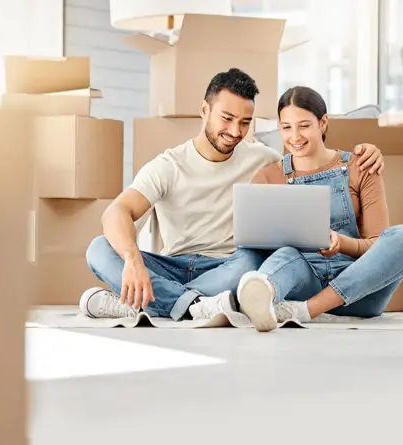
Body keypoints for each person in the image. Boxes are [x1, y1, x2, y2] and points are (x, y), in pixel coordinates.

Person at [79, 69, 385, 321]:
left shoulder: (264, 159)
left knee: (253, 261)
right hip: (171, 264)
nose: (235, 131)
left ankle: (143, 304)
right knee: (99, 248)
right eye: (226, 118)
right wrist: (133, 260)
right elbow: (115, 213)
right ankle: (194, 305)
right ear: (204, 110)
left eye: (245, 122)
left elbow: (310, 153)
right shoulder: (168, 165)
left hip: (232, 265)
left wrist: (367, 152)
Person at [237, 86, 403, 332]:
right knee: (286, 254)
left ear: (323, 123)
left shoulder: (361, 165)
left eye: (304, 125)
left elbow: (378, 243)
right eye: (286, 127)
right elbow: (255, 243)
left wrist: (342, 243)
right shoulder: (267, 177)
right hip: (304, 281)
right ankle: (263, 291)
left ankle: (305, 311)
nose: (295, 136)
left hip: (360, 292)